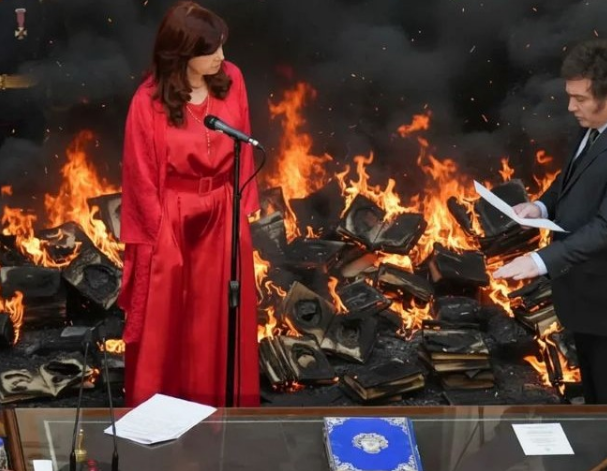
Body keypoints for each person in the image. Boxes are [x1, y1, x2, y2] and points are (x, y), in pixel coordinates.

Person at [118, 1, 260, 407]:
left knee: (217, 315)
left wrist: (240, 210)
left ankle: (220, 412)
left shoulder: (232, 79)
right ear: (182, 53)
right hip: (171, 216)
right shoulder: (147, 102)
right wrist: (156, 239)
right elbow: (140, 178)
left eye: (222, 46)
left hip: (223, 208)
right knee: (169, 318)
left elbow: (244, 144)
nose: (221, 56)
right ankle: (160, 413)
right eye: (211, 50)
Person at [494, 38, 607, 404]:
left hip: (604, 305)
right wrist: (541, 207)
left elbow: (604, 228)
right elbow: (568, 179)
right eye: (570, 96)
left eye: (581, 99)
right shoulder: (591, 127)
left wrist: (539, 261)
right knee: (594, 401)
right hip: (584, 303)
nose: (571, 107)